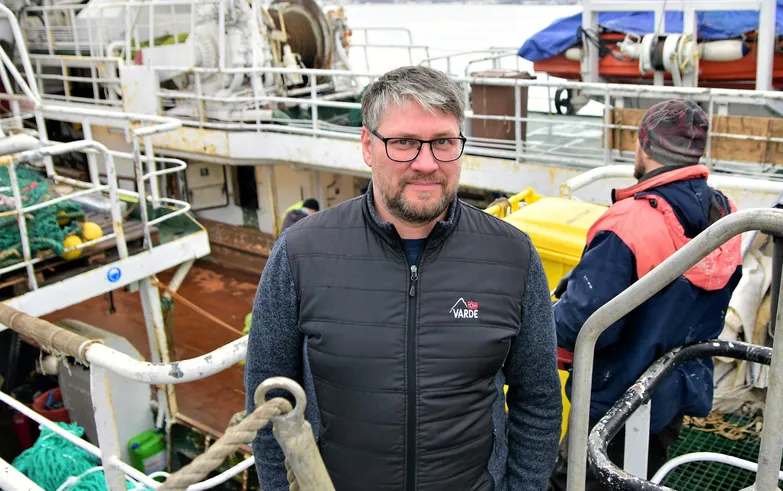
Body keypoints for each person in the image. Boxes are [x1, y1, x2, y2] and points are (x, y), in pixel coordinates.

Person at [244, 65, 563, 491]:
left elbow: (538, 401)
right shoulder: (300, 253)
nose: (426, 163)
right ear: (367, 145)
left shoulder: (513, 256)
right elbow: (268, 405)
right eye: (404, 143)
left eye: (444, 142)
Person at [547, 98, 743, 490]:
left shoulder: (631, 222)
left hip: (613, 403)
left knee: (576, 481)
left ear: (643, 144)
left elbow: (581, 324)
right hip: (670, 394)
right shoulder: (727, 215)